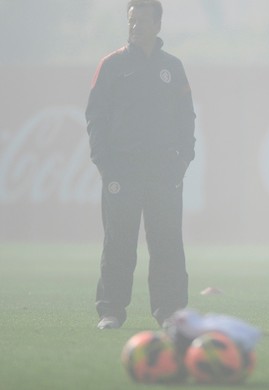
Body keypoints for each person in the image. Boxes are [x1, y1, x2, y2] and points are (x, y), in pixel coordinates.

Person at [85, 0, 196, 329]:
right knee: (118, 242)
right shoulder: (111, 65)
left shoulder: (173, 68)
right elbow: (95, 116)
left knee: (167, 243)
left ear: (157, 25)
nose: (135, 27)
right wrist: (104, 163)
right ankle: (111, 312)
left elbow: (186, 117)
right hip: (122, 172)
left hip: (164, 172)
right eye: (131, 22)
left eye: (142, 22)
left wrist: (183, 160)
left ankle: (171, 313)